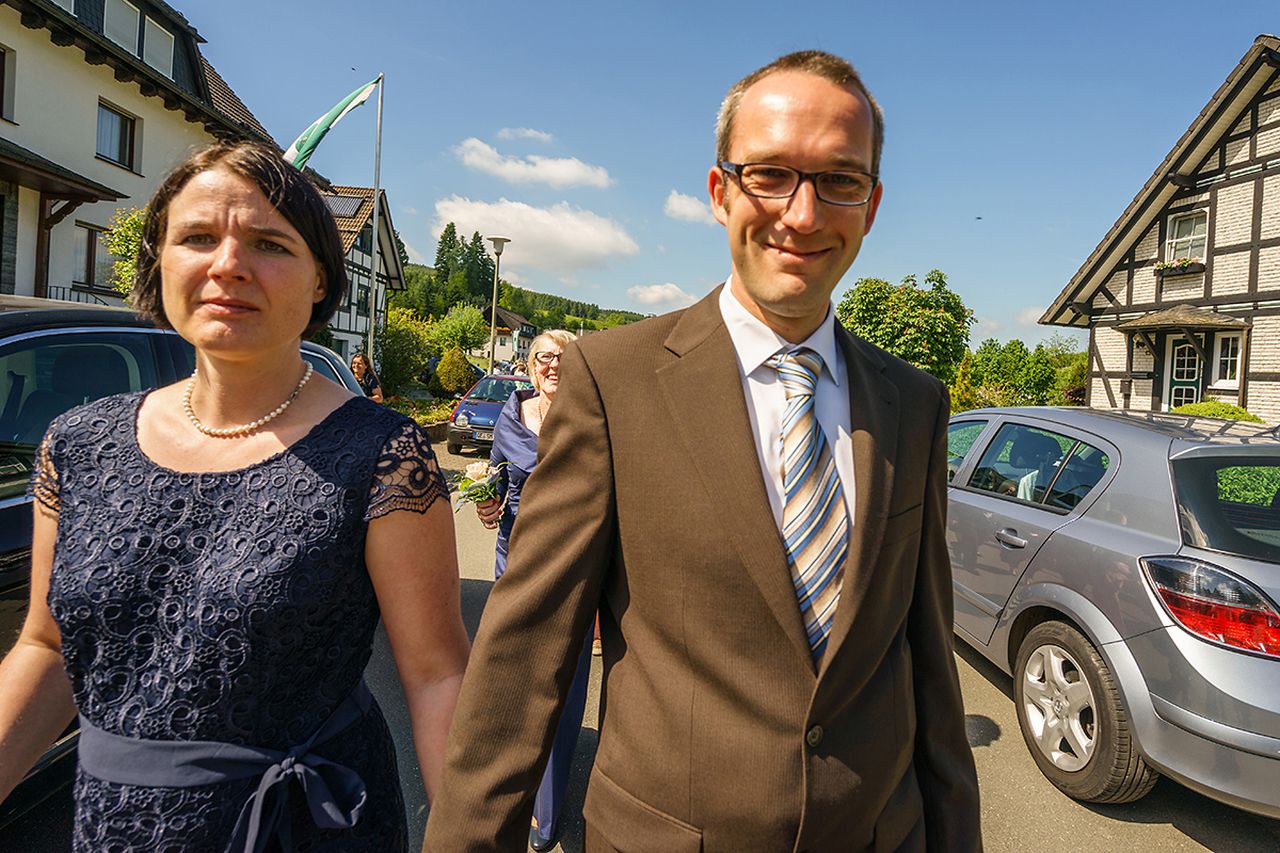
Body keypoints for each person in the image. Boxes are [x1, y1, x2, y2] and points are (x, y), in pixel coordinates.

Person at [425, 49, 981, 852]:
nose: (802, 213)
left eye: (839, 179)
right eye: (770, 175)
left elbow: (928, 662)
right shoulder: (613, 381)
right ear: (720, 192)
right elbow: (525, 658)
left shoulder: (916, 404)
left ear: (871, 204)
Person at [0, 141, 471, 852]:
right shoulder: (77, 444)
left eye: (269, 244)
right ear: (159, 261)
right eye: (196, 237)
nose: (228, 265)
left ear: (320, 278)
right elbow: (46, 646)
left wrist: (469, 839)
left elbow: (437, 676)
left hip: (303, 827)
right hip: (115, 823)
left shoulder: (381, 453)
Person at [474, 329, 589, 851]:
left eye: (563, 357)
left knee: (561, 681)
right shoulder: (510, 416)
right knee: (514, 676)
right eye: (544, 357)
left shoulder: (588, 417)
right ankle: (510, 786)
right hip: (514, 560)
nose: (553, 365)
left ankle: (548, 804)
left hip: (570, 563)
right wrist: (486, 503)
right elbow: (498, 485)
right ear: (529, 364)